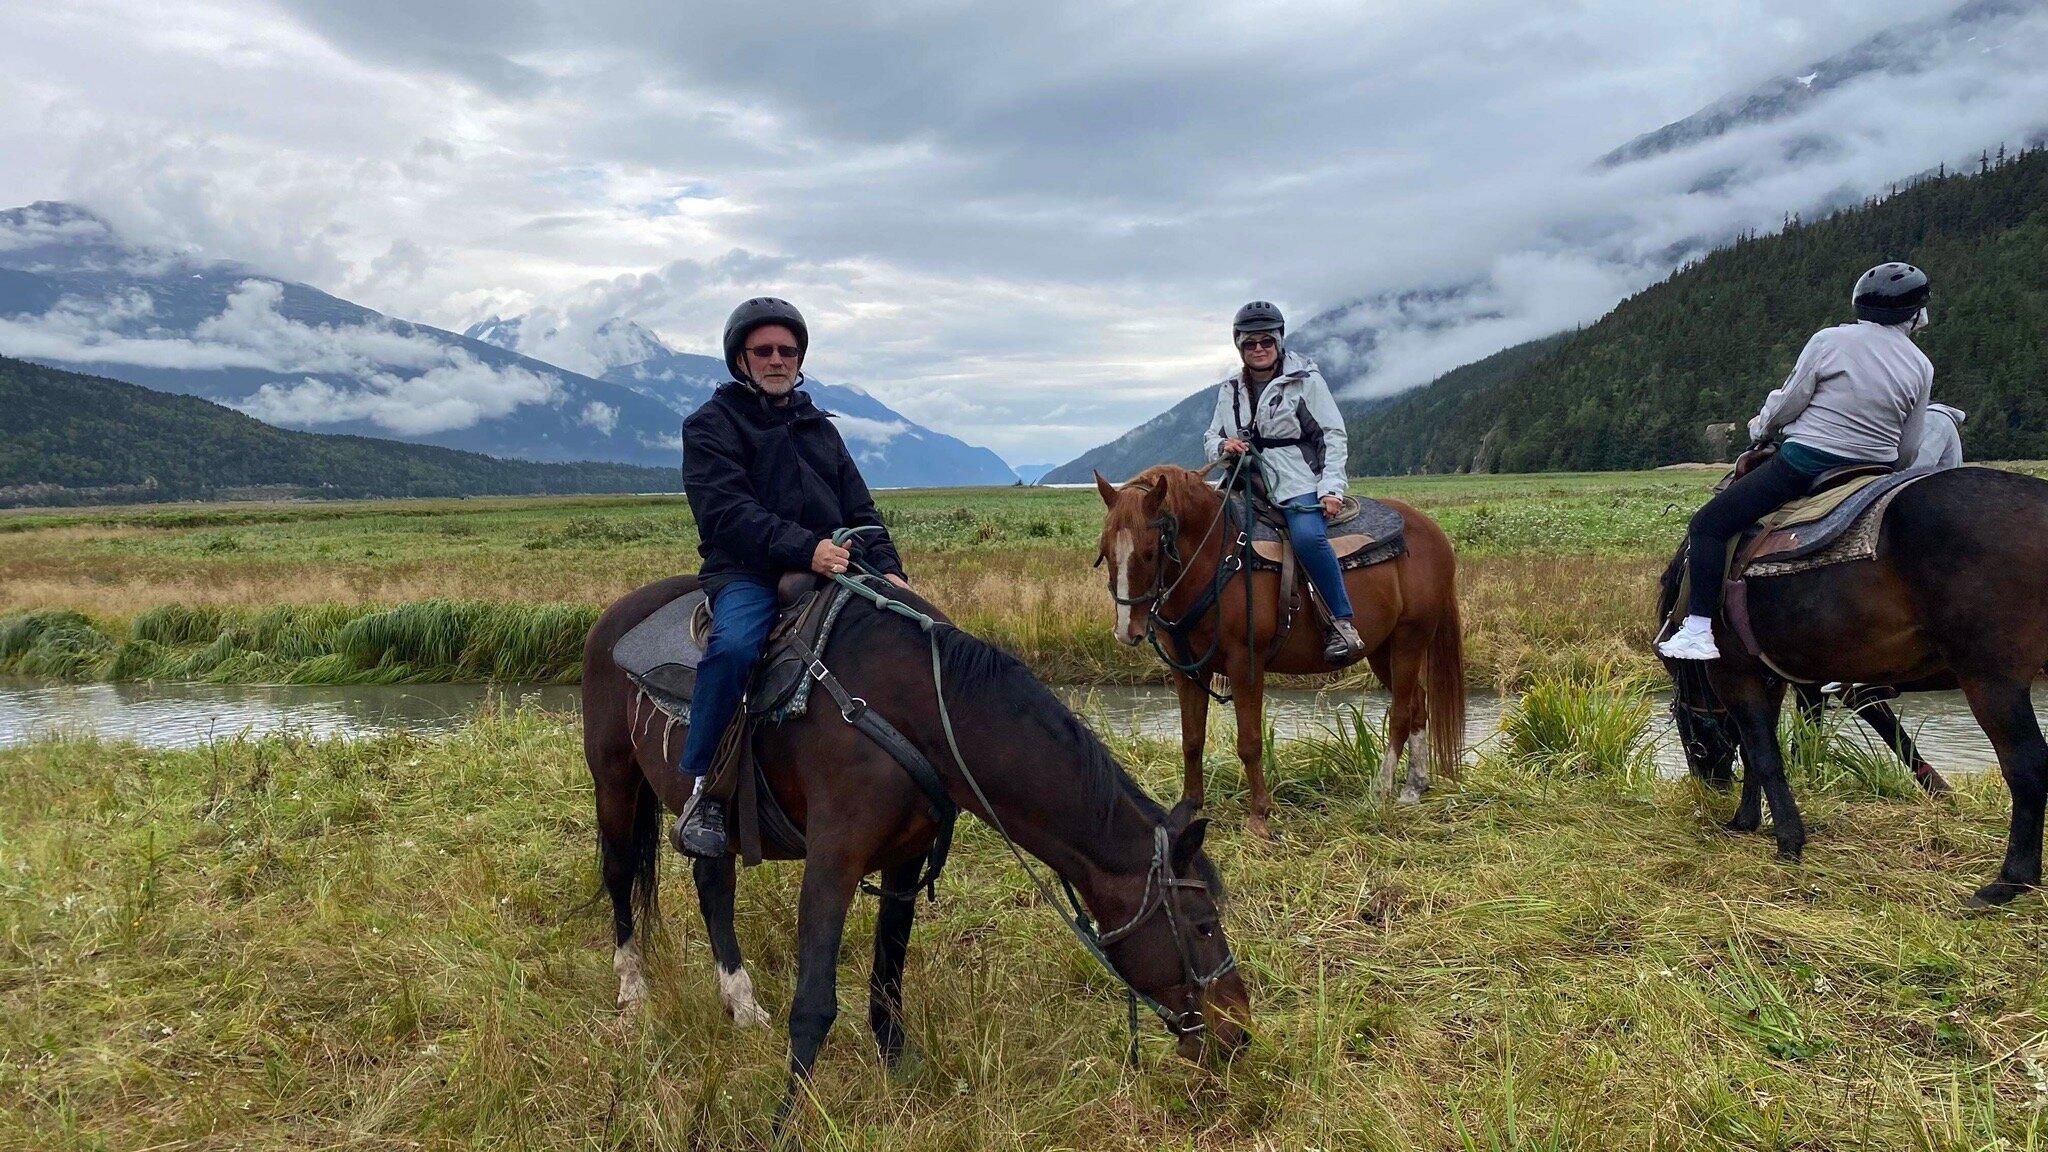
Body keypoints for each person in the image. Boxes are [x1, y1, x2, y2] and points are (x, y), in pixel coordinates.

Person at [670, 297, 910, 857]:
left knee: (909, 635)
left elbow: (859, 507)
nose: (778, 359)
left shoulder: (817, 426)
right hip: (748, 571)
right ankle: (702, 788)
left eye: (788, 350)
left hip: (834, 562)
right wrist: (808, 550)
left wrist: (893, 571)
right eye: (765, 351)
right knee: (732, 649)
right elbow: (726, 513)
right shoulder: (710, 426)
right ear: (741, 360)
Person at [1659, 262, 1934, 662]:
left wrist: (1761, 429)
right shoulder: (1921, 365)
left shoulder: (1831, 341)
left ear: (1861, 305)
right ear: (1916, 315)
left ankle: (1699, 629)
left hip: (1806, 464)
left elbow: (1789, 401)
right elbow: (1909, 448)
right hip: (1873, 473)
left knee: (1709, 526)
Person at [1203, 300, 1364, 664]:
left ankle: (1341, 623)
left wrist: (1331, 488)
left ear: (1279, 342)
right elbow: (1210, 436)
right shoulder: (1229, 389)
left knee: (1307, 537)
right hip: (1240, 476)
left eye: (1266, 341)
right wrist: (1222, 445)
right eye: (1250, 343)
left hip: (1294, 477)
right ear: (1239, 346)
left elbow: (1332, 435)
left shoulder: (1307, 382)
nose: (1259, 349)